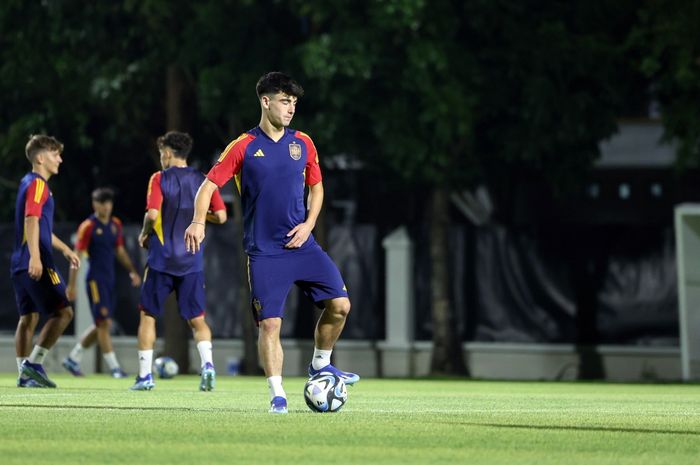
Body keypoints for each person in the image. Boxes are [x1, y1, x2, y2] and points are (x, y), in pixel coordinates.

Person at [184, 72, 359, 414]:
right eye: (284, 101)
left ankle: (320, 365)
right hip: (265, 252)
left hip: (302, 245)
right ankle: (277, 395)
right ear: (265, 101)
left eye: (294, 102)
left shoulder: (304, 142)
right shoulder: (243, 146)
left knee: (340, 305)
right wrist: (197, 221)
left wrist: (309, 224)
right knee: (271, 324)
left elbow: (318, 187)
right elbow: (207, 187)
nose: (290, 108)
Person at [130, 131, 227, 391]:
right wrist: (197, 218)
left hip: (162, 260)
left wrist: (143, 233)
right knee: (197, 319)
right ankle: (208, 366)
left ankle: (144, 377)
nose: (161, 158)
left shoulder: (159, 178)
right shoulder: (203, 180)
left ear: (169, 153)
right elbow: (221, 214)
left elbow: (152, 214)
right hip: (191, 262)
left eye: (162, 153)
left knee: (148, 316)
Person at [11, 135, 81, 388]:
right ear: (40, 158)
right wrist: (36, 257)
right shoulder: (39, 184)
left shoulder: (27, 183)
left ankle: (23, 374)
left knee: (28, 318)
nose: (59, 159)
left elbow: (39, 225)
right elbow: (31, 220)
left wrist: (64, 248)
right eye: (55, 154)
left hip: (19, 261)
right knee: (64, 312)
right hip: (34, 260)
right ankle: (33, 364)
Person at [62, 187, 141, 378]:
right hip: (95, 280)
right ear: (94, 204)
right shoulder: (88, 226)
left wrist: (132, 271)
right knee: (104, 323)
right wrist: (72, 285)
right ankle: (115, 368)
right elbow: (76, 256)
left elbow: (120, 251)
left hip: (110, 280)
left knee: (101, 324)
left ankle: (73, 358)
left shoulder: (115, 224)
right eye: (101, 202)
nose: (105, 206)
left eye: (108, 202)